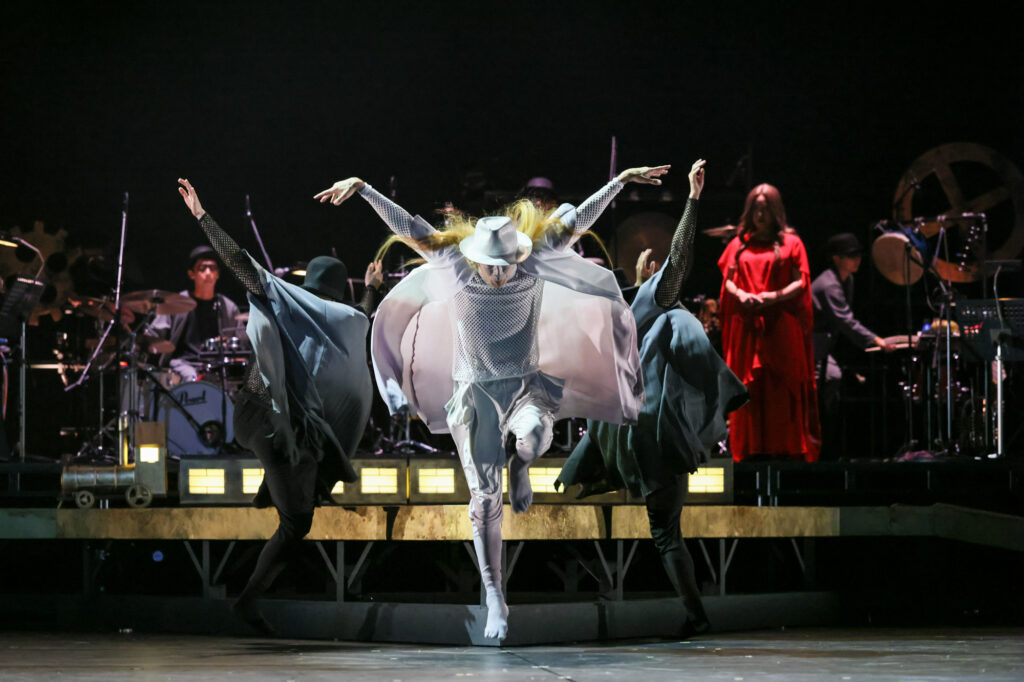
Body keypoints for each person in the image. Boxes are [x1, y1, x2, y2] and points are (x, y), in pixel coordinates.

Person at [315, 165, 665, 640]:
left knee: (535, 437)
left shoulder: (535, 259)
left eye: (506, 265)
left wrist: (619, 182)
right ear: (475, 257)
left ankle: (520, 465)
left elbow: (578, 220)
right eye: (490, 265)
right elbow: (411, 227)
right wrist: (364, 189)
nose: (499, 274)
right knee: (482, 498)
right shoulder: (455, 264)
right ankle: (496, 595)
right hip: (474, 392)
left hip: (525, 386)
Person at [177, 178, 377, 635]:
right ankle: (247, 602)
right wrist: (371, 287)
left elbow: (241, 264)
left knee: (309, 469)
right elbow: (364, 312)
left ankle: (281, 487)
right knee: (297, 523)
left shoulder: (303, 305)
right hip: (270, 422)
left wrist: (204, 217)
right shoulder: (348, 319)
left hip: (257, 414)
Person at [557, 160, 748, 637]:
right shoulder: (643, 302)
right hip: (651, 433)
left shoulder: (600, 312)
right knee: (665, 531)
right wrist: (693, 199)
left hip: (619, 434)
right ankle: (696, 615)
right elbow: (679, 260)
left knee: (662, 529)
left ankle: (686, 612)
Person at [718, 184, 820, 462]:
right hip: (748, 326)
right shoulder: (738, 244)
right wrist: (742, 295)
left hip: (780, 326)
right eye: (756, 209)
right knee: (748, 389)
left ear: (776, 211)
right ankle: (749, 450)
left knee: (780, 387)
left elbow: (801, 281)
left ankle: (785, 450)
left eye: (765, 209)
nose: (760, 215)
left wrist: (772, 297)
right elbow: (728, 281)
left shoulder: (792, 243)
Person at [812, 232, 891, 458]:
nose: (857, 260)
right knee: (829, 379)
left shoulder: (847, 280)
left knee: (833, 379)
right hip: (810, 343)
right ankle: (818, 433)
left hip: (824, 344)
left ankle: (825, 434)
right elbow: (845, 320)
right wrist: (874, 339)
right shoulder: (829, 284)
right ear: (836, 258)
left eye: (858, 255)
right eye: (851, 256)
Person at [151, 246, 241, 383]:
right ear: (191, 274)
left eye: (212, 268)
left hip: (216, 365)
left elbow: (241, 344)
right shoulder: (177, 303)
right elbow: (154, 334)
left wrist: (227, 344)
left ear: (217, 274)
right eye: (202, 268)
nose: (208, 273)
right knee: (191, 377)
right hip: (183, 364)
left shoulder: (228, 307)